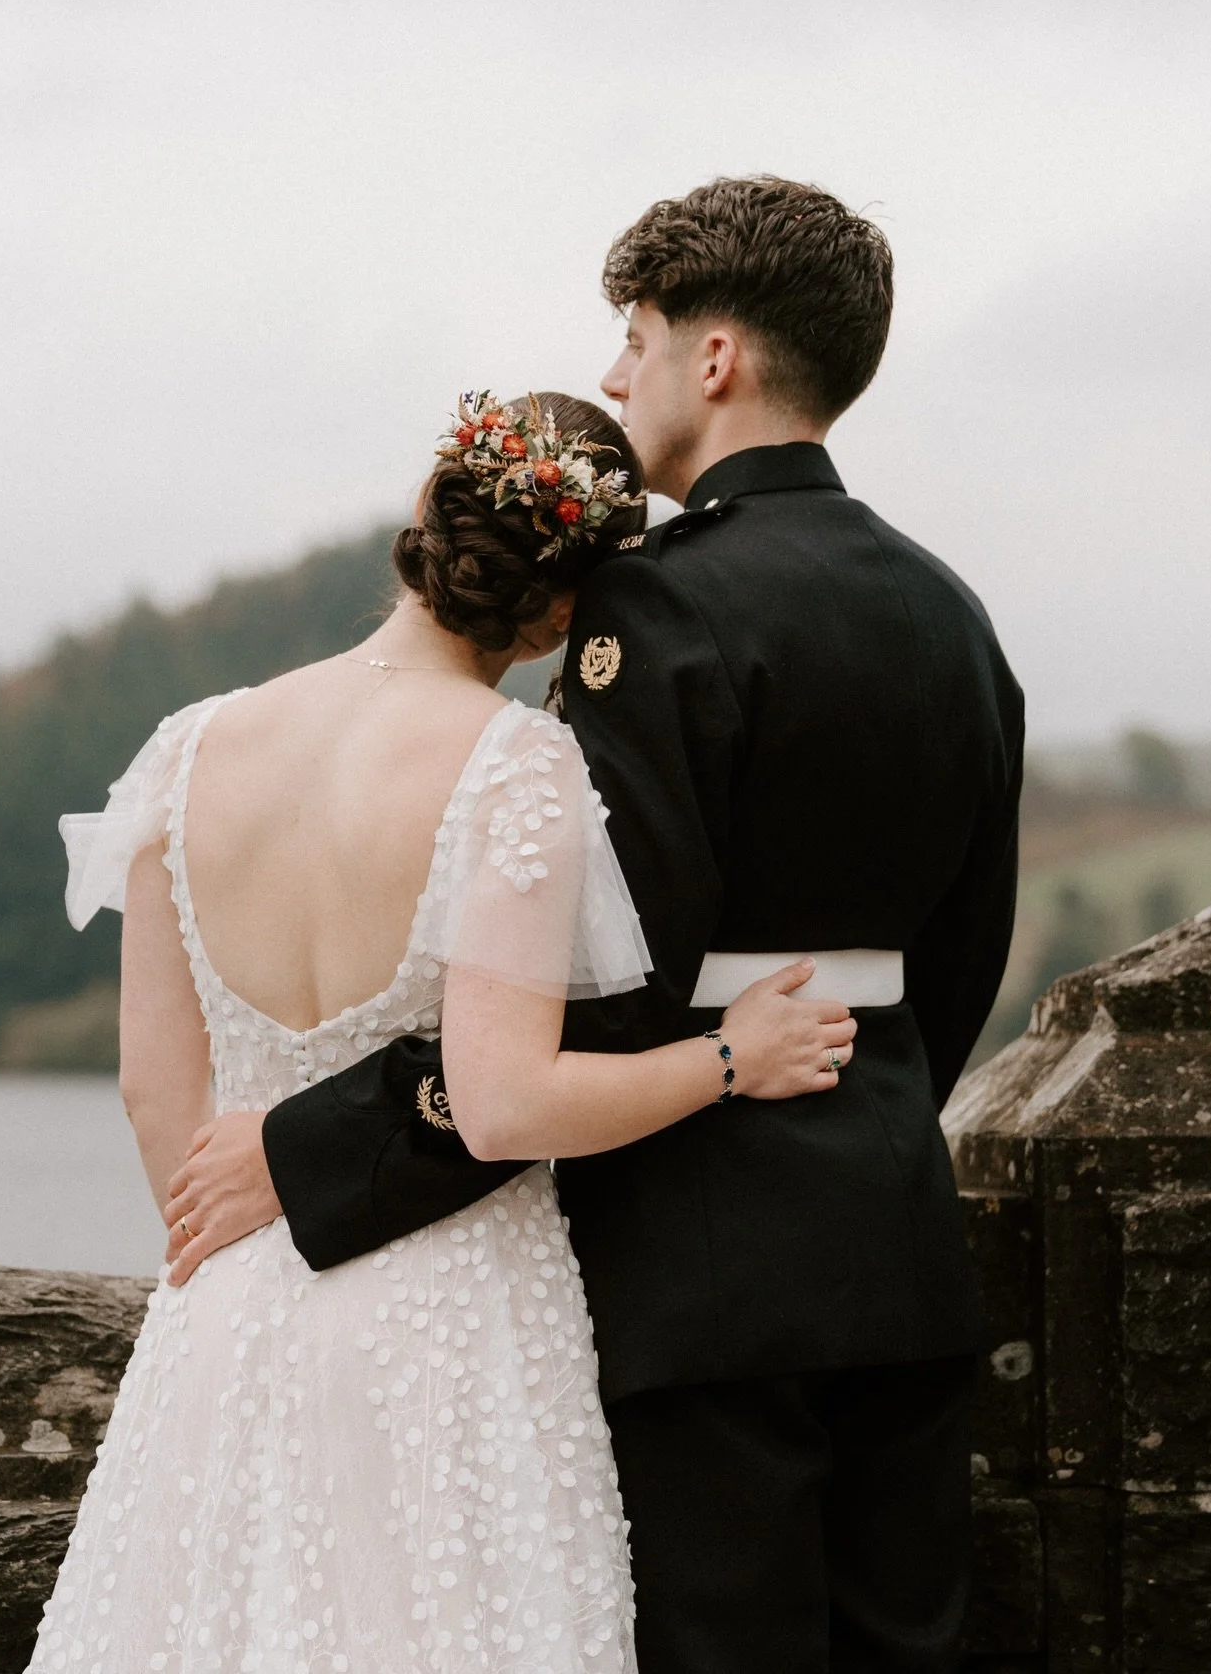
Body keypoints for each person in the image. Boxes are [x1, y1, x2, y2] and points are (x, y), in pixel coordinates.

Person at [169, 178, 1026, 1673]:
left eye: (636, 340)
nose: (617, 379)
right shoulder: (952, 612)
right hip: (897, 1241)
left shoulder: (661, 608)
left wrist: (310, 1146)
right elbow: (961, 957)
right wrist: (871, 1115)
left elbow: (596, 990)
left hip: (701, 1272)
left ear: (716, 358)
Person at [27, 390, 855, 1673]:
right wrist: (733, 1058)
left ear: (425, 514)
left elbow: (154, 1090)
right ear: (566, 612)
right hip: (451, 1330)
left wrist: (219, 1262)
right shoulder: (516, 766)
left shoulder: (189, 750)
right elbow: (506, 1103)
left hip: (225, 1313)